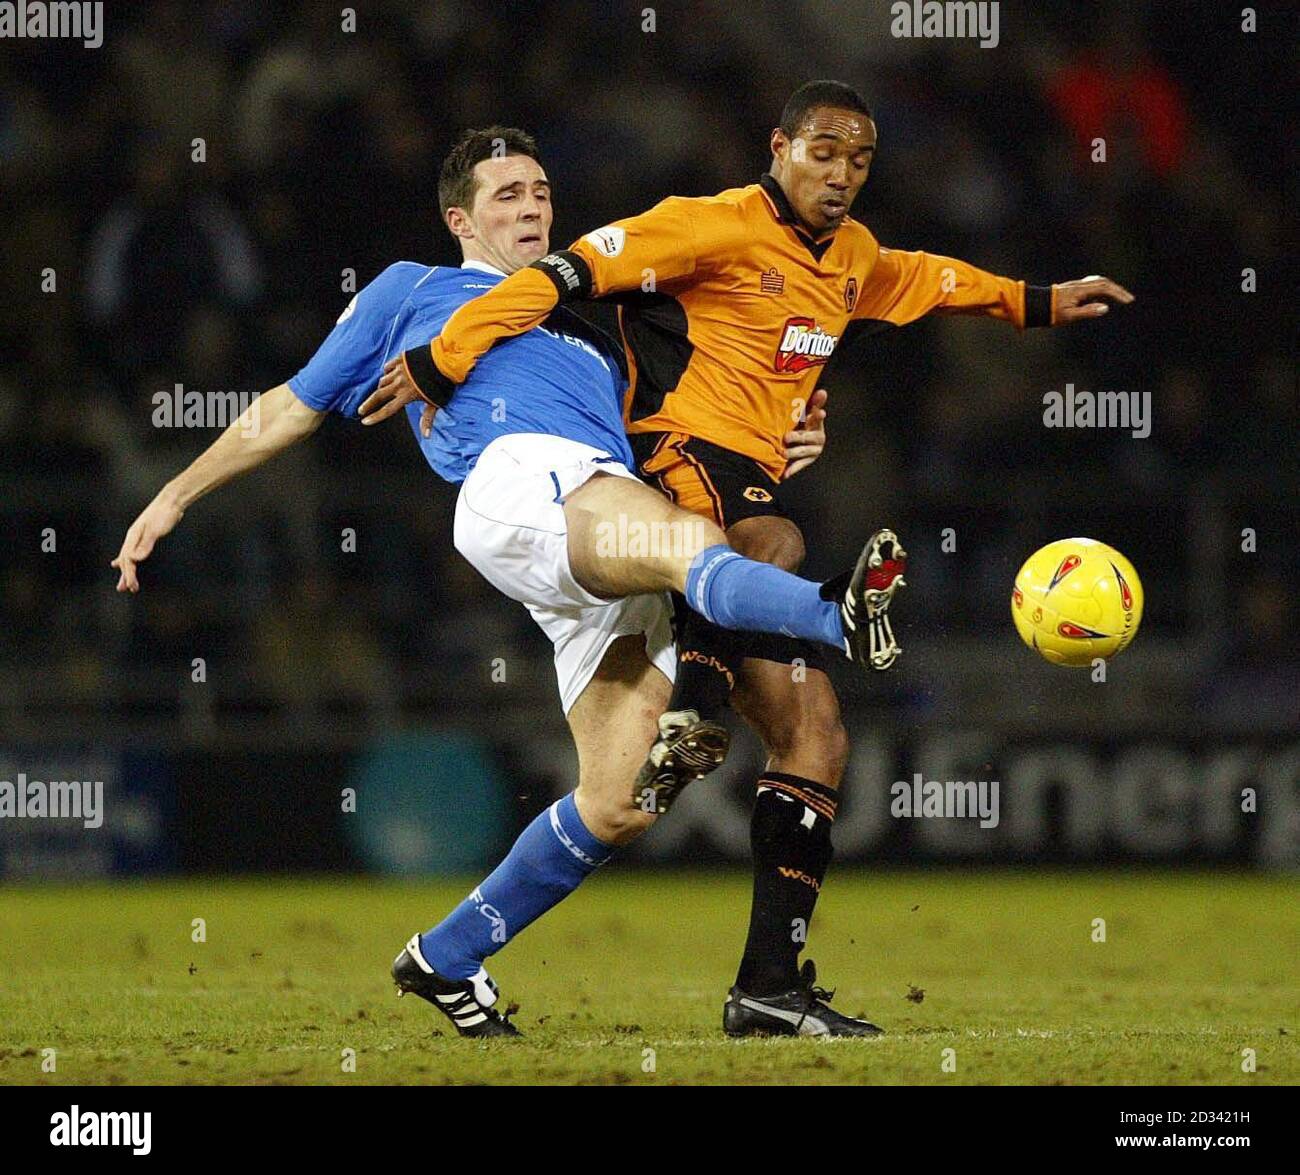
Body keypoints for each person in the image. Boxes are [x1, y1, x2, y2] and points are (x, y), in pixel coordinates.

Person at [358, 81, 1134, 1037]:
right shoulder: (707, 225)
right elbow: (558, 277)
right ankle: (722, 684)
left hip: (745, 479)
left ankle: (760, 981)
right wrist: (444, 357)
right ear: (778, 147)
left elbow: (925, 278)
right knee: (774, 540)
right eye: (822, 152)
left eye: (858, 159)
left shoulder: (850, 258)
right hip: (670, 465)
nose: (840, 174)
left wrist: (1038, 302)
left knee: (809, 739)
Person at [111, 125, 898, 1039]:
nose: (531, 208)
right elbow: (289, 405)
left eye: (540, 192)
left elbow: (704, 420)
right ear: (461, 218)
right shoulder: (415, 290)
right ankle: (836, 614)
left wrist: (791, 427)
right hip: (522, 483)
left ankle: (446, 957)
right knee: (695, 545)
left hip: (606, 516)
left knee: (622, 801)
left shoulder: (593, 323)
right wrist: (173, 494)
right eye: (506, 196)